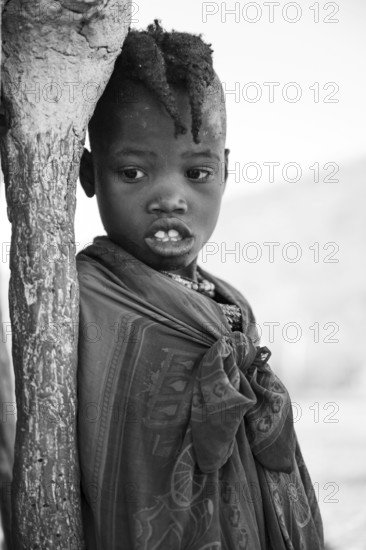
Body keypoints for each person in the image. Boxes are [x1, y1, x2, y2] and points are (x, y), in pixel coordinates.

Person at [77, 20, 324, 550]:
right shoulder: (84, 300)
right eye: (134, 173)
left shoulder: (230, 303)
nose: (171, 197)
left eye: (197, 173)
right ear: (89, 173)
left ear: (226, 171)